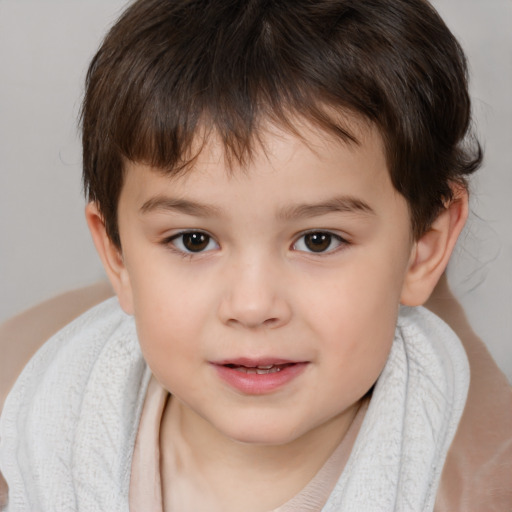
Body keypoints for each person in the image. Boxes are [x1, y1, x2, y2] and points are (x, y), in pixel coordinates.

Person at [0, 0, 510, 510]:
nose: (251, 305)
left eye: (318, 240)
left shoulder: (471, 484)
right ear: (117, 255)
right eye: (193, 240)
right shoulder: (37, 439)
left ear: (424, 247)